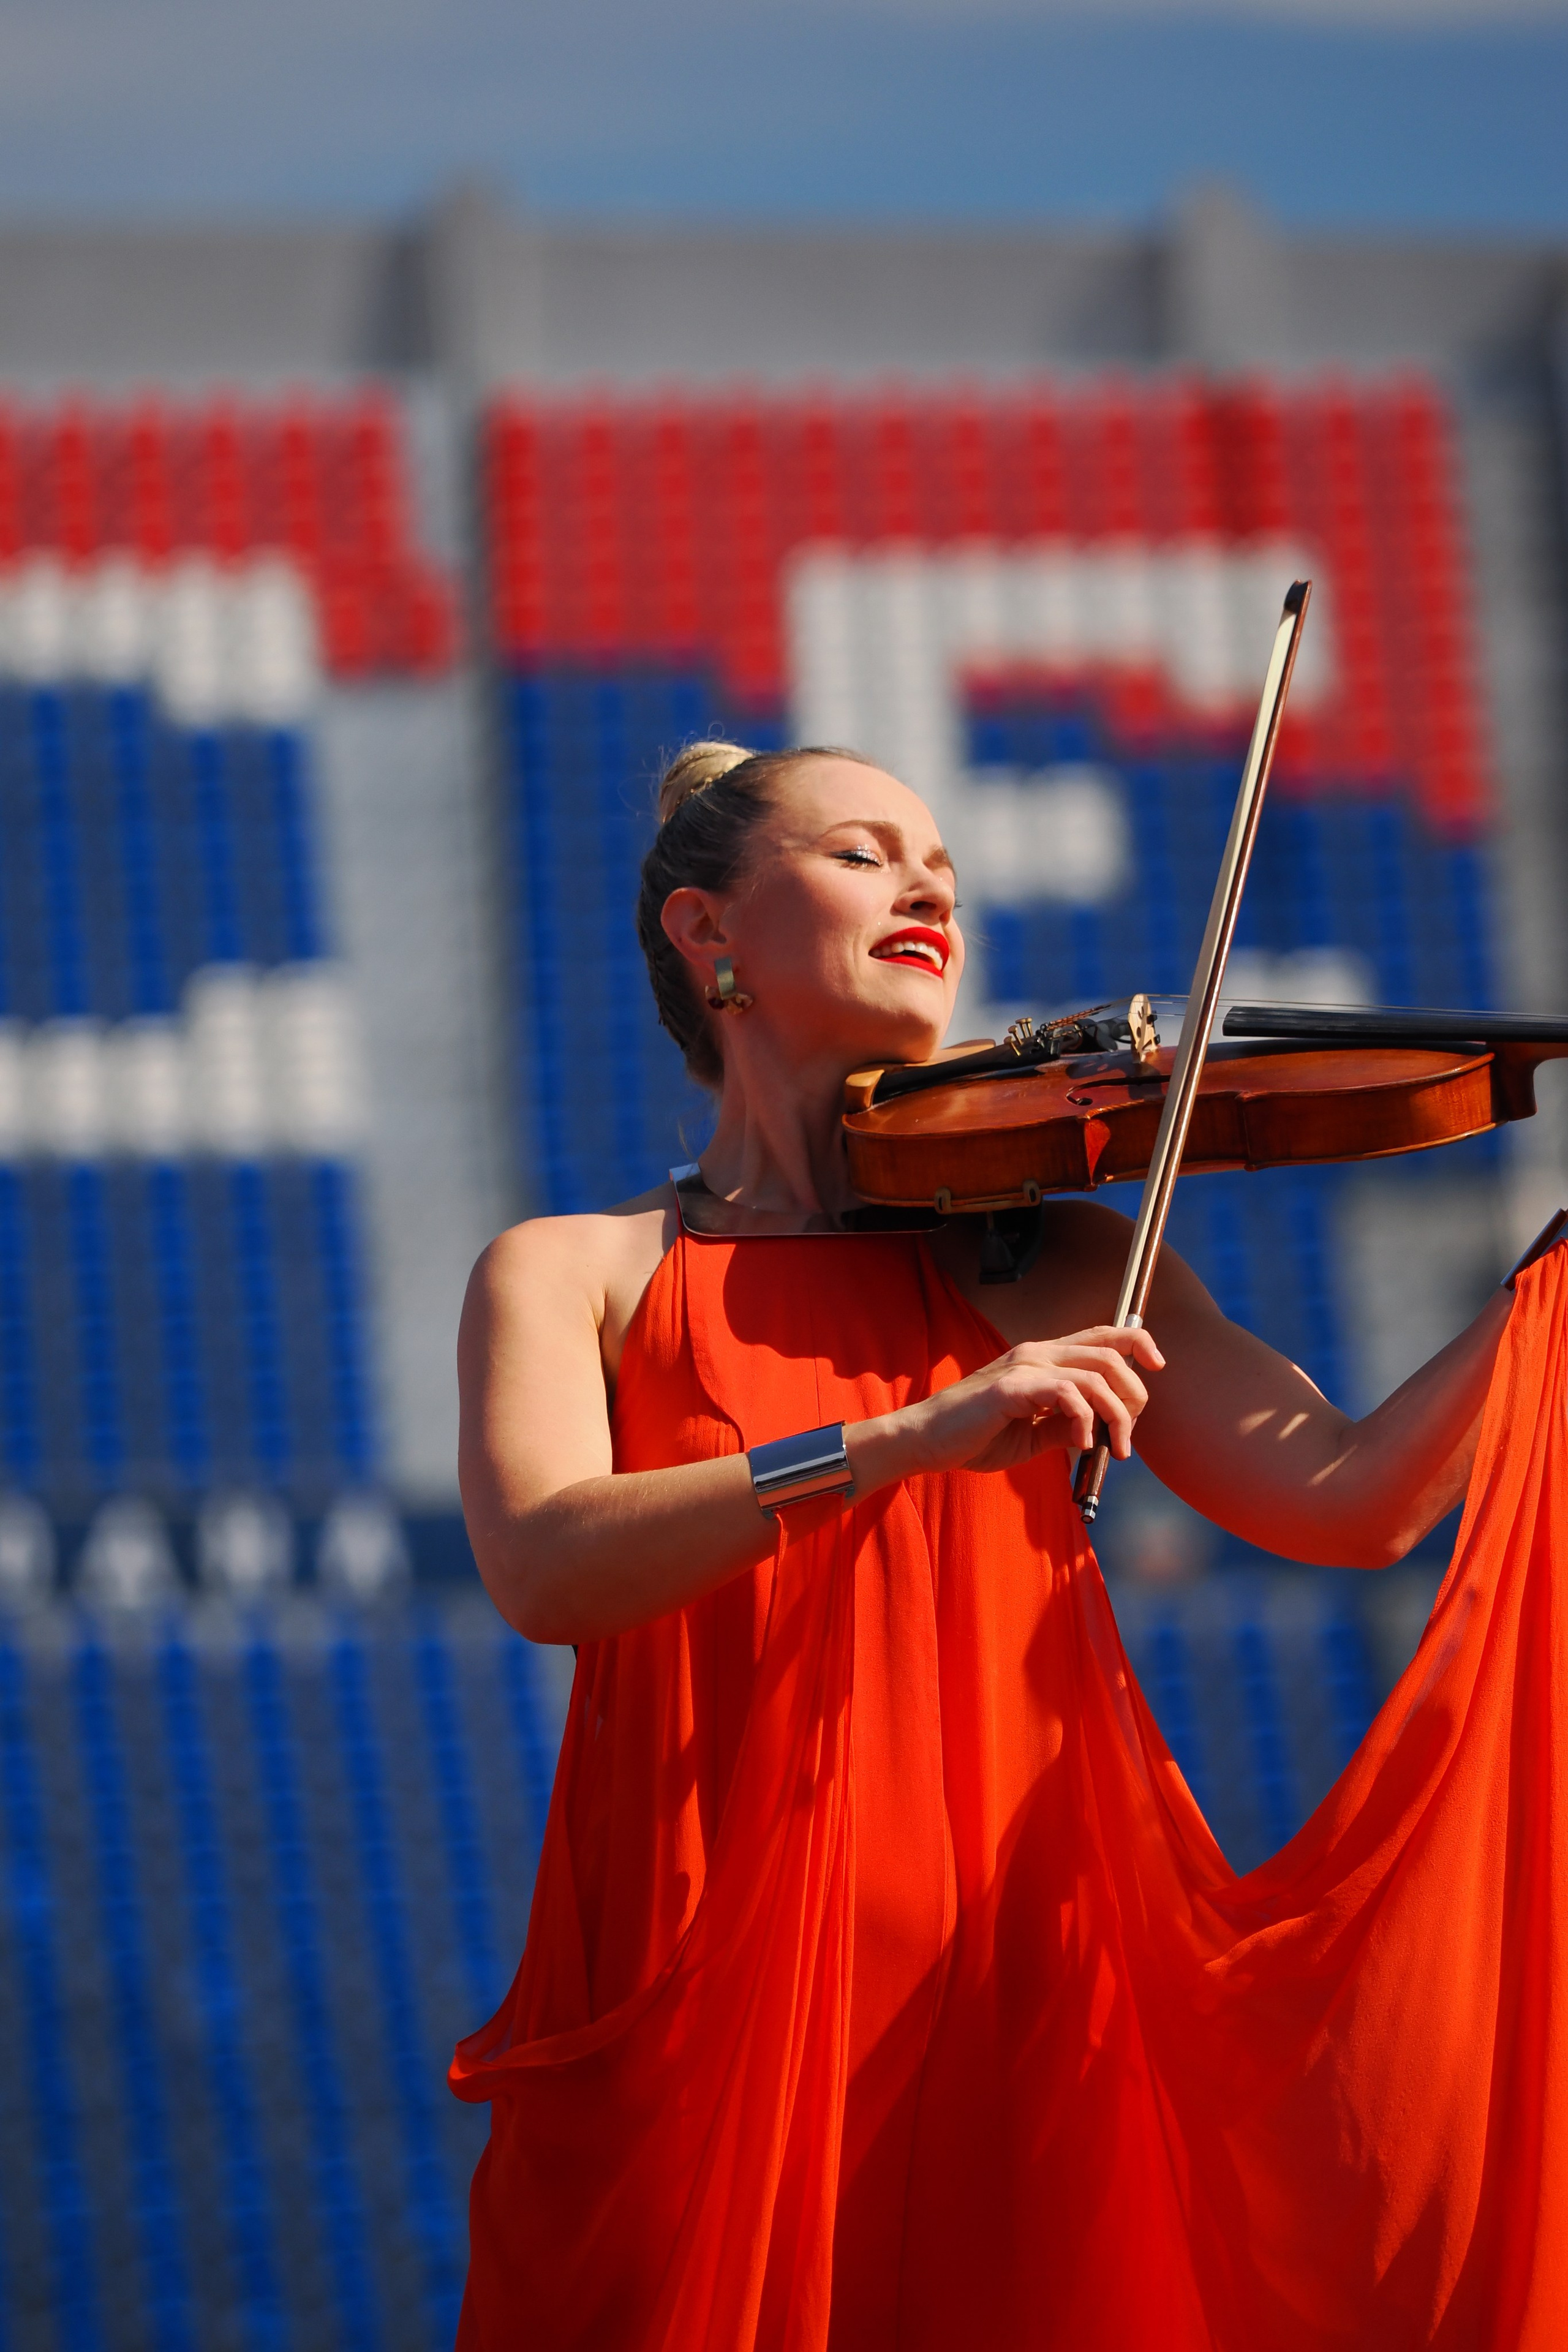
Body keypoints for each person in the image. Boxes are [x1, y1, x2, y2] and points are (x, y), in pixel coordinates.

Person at [451, 742, 1565, 2351]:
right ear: (710, 937)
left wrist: (1550, 1279)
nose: (928, 887)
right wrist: (907, 1436)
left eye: (943, 869)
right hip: (697, 2016)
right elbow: (547, 1566)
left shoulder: (1061, 1257)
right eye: (861, 854)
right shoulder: (576, 1273)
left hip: (1029, 1999)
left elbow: (1350, 1495)